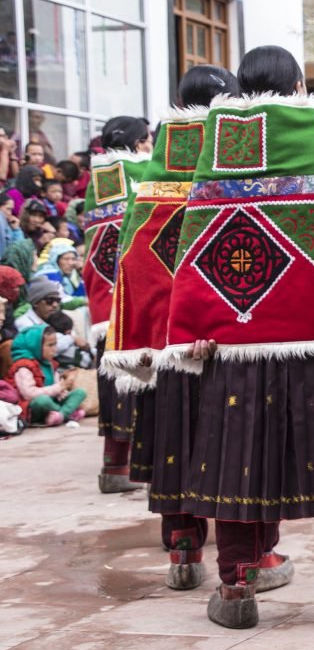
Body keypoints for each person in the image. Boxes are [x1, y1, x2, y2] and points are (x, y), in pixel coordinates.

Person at [160, 45, 314, 630]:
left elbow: (197, 246)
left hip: (236, 350)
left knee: (237, 467)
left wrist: (195, 329)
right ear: (296, 84)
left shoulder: (222, 146)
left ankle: (237, 591)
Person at [102, 64, 289, 594]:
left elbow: (135, 260)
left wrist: (152, 331)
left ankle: (184, 554)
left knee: (174, 443)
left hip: (168, 344)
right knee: (242, 452)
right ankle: (260, 556)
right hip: (228, 340)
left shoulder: (158, 171)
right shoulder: (241, 160)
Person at [82, 115, 152, 494]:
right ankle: (130, 466)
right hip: (127, 295)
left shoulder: (101, 179)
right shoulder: (137, 175)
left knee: (115, 383)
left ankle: (115, 464)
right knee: (135, 383)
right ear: (140, 144)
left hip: (103, 296)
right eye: (148, 141)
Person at [5, 325, 86, 427]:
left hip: (52, 402)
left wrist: (61, 392)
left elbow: (56, 386)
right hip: (32, 407)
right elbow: (28, 394)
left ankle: (60, 415)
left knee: (80, 393)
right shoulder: (24, 367)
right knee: (43, 400)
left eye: (55, 344)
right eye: (50, 345)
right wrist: (58, 388)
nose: (54, 349)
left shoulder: (50, 364)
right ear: (35, 346)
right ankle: (66, 413)